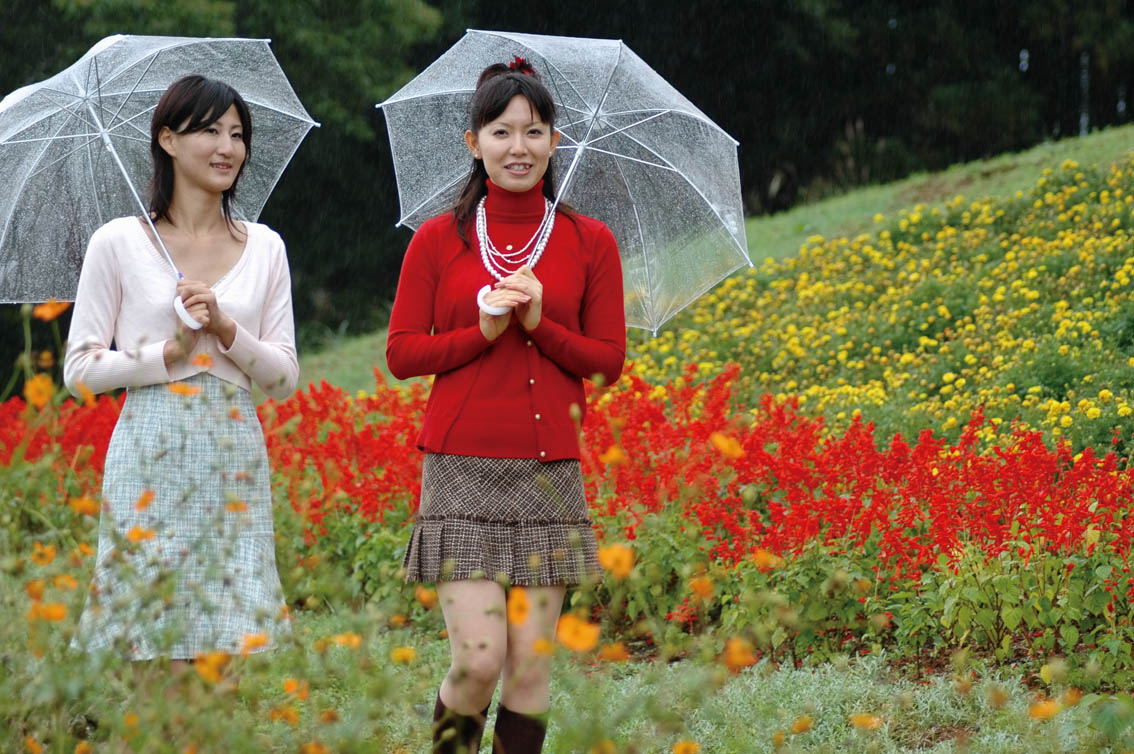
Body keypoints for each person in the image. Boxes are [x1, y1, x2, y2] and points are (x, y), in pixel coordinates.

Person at [386, 57, 626, 753]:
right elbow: (402, 353)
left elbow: (607, 363)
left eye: (533, 131)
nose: (517, 147)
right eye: (501, 132)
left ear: (555, 141)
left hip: (549, 476)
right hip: (460, 471)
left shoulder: (589, 241)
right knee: (479, 659)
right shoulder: (438, 239)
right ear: (474, 142)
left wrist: (541, 325)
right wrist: (483, 332)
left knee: (528, 669)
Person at [64, 75, 298, 662]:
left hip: (233, 457)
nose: (227, 147)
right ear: (168, 140)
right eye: (210, 131)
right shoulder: (118, 242)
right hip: (147, 454)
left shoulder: (266, 246)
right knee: (151, 654)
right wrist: (165, 355)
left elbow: (282, 380)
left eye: (237, 134)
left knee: (224, 658)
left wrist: (226, 330)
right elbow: (79, 369)